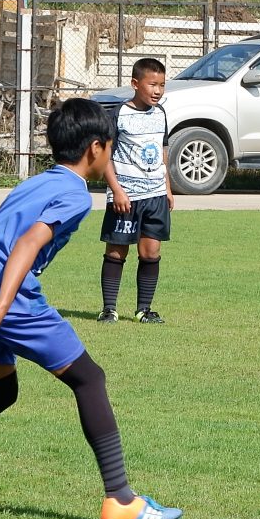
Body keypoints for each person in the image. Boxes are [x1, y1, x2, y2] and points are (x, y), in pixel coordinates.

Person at [0, 98, 181, 519]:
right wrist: (2, 307)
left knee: (1, 392)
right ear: (96, 149)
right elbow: (27, 244)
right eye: (111, 147)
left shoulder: (35, 182)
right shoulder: (74, 194)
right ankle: (121, 499)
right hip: (4, 296)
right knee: (89, 378)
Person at [98, 57, 174, 325]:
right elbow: (105, 156)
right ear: (135, 84)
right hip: (126, 197)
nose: (157, 91)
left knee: (151, 253)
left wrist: (168, 188)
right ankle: (109, 308)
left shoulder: (161, 113)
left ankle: (144, 309)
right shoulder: (118, 114)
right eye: (152, 84)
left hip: (155, 196)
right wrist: (116, 190)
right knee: (117, 252)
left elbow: (162, 152)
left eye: (162, 85)